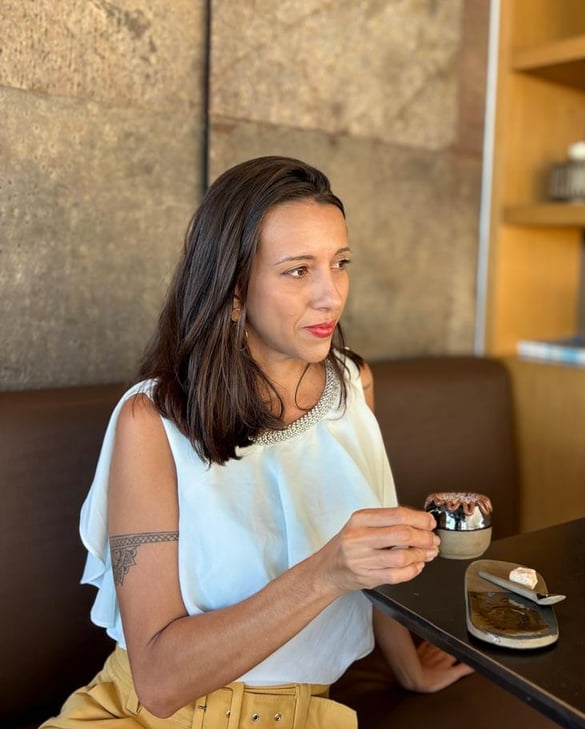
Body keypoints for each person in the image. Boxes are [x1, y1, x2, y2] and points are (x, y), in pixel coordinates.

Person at [41, 156, 472, 729]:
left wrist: (409, 670)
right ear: (235, 289)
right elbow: (159, 682)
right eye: (298, 271)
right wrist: (327, 572)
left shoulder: (353, 386)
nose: (331, 295)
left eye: (340, 263)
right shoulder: (152, 421)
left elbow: (376, 554)